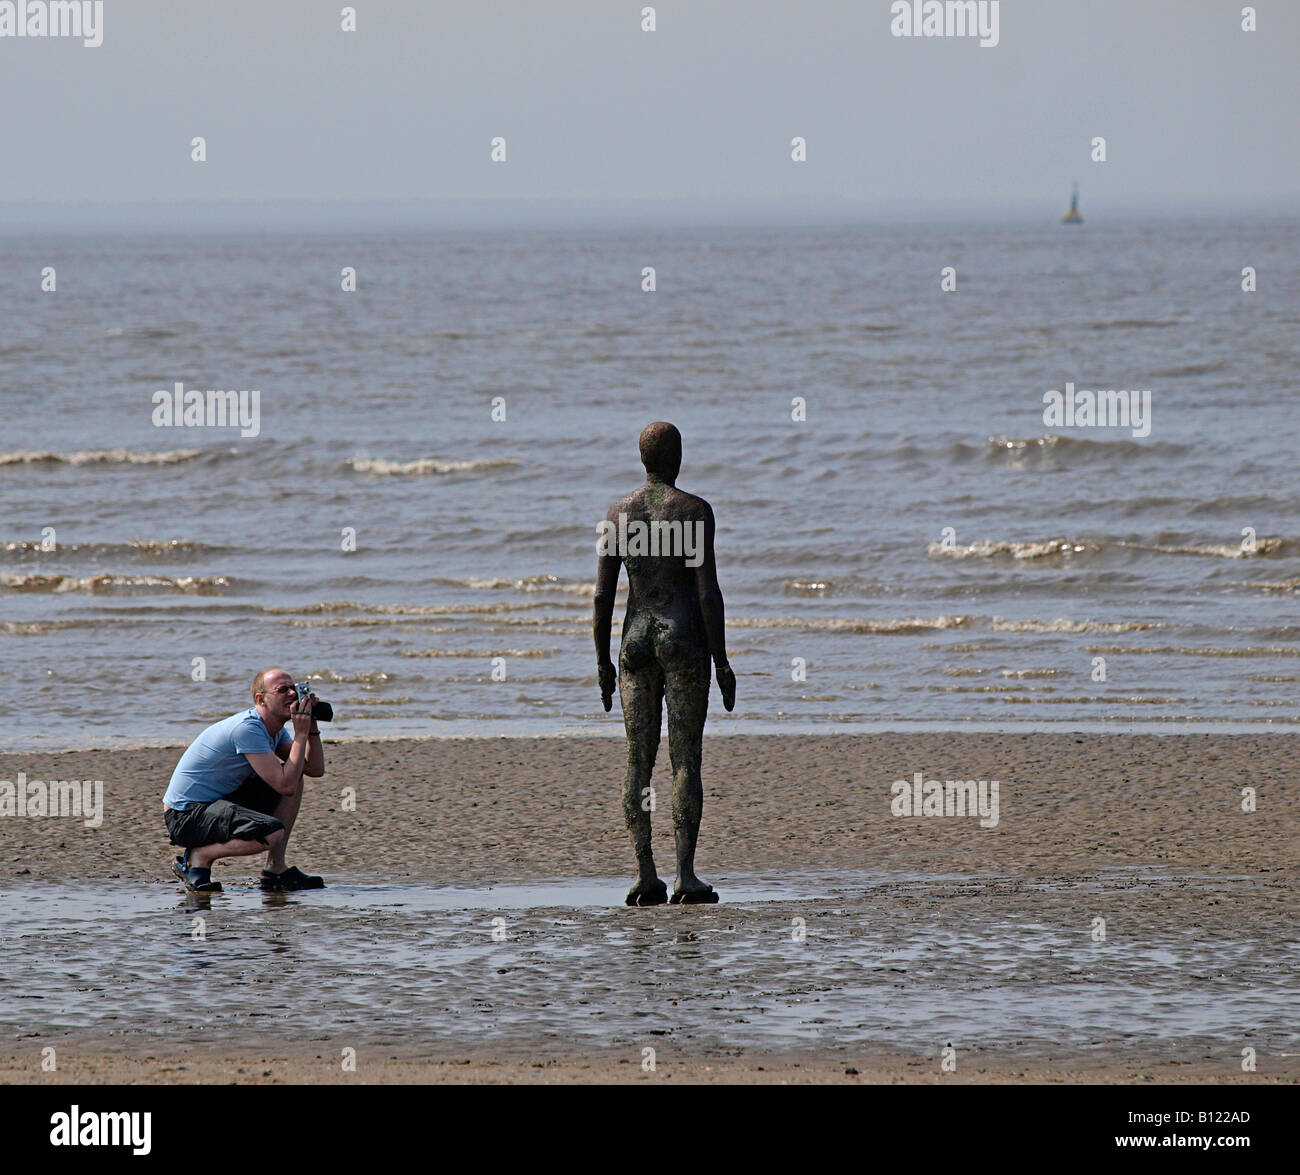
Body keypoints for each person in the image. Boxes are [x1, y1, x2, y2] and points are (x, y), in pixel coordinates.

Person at [593, 421, 736, 906]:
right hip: (682, 641)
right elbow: (707, 592)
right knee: (685, 760)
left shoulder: (617, 515)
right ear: (677, 458)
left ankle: (644, 875)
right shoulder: (694, 512)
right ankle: (686, 876)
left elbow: (602, 597)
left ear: (642, 460)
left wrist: (601, 664)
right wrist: (722, 661)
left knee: (637, 760)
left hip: (634, 642)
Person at [162, 667, 327, 892]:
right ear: (261, 699)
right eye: (282, 690)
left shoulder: (273, 728)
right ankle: (198, 857)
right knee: (272, 833)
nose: (292, 694)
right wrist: (300, 733)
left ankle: (276, 869)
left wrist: (311, 726)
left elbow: (314, 769)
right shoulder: (247, 729)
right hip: (185, 815)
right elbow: (284, 785)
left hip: (217, 802)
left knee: (295, 774)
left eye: (294, 688)